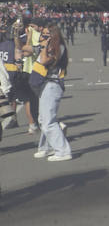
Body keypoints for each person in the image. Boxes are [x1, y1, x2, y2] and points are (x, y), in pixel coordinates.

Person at [30, 23, 73, 162]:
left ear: (53, 35)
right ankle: (46, 147)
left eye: (46, 34)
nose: (43, 37)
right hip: (46, 85)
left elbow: (43, 60)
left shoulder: (58, 48)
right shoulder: (52, 47)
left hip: (52, 85)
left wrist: (43, 46)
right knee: (43, 119)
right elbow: (25, 48)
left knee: (48, 121)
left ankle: (63, 151)